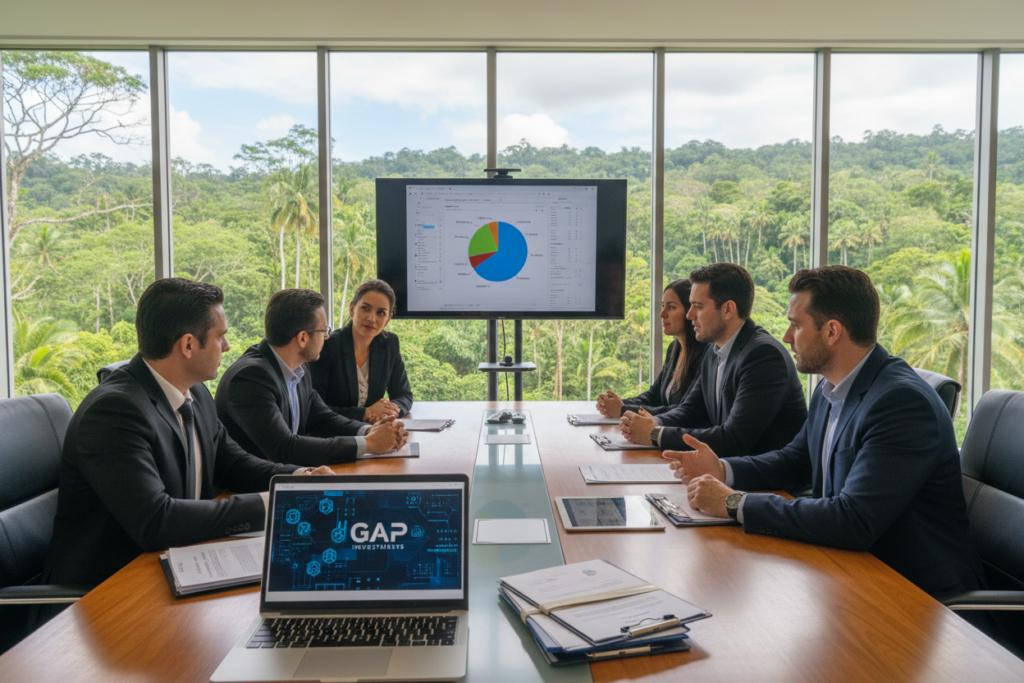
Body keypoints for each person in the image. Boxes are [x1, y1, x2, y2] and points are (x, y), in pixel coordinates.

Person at [667, 265, 983, 596]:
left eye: (796, 325)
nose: (787, 337)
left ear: (832, 331)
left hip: (915, 594)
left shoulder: (901, 403)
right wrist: (724, 469)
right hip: (848, 571)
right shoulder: (831, 387)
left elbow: (854, 518)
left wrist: (735, 502)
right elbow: (796, 460)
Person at [44, 278, 334, 588]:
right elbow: (158, 520)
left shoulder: (196, 393)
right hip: (109, 589)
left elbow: (233, 463)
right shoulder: (114, 412)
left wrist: (299, 479)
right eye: (220, 336)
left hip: (179, 563)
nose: (227, 346)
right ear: (188, 345)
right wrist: (278, 503)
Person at [620, 263, 807, 458]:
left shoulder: (763, 356)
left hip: (767, 485)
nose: (689, 315)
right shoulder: (712, 351)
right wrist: (652, 423)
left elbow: (734, 439)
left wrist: (655, 434)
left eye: (698, 306)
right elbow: (691, 411)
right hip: (723, 476)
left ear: (728, 309)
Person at [216, 288, 408, 466]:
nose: (326, 337)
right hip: (248, 489)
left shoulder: (300, 367)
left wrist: (368, 431)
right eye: (324, 331)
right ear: (302, 338)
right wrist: (368, 444)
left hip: (289, 475)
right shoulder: (251, 378)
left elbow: (322, 418)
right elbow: (285, 449)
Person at [596, 278, 709, 418]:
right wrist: (616, 403)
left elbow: (685, 411)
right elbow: (654, 396)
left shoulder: (706, 354)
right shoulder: (675, 348)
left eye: (671, 307)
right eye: (663, 306)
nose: (662, 314)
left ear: (690, 311)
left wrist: (624, 410)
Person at [310, 279, 413, 423]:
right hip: (335, 435)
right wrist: (365, 413)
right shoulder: (328, 346)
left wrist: (389, 411)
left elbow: (404, 395)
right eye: (365, 308)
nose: (372, 318)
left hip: (373, 432)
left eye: (381, 313)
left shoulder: (389, 344)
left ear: (388, 318)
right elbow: (315, 408)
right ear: (352, 309)